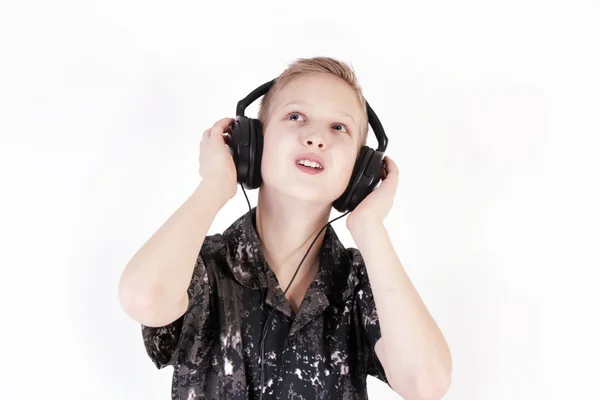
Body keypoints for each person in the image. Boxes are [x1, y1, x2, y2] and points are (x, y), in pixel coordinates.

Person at [118, 57, 452, 400]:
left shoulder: (361, 285)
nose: (316, 137)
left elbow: (426, 384)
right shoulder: (199, 265)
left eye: (339, 127)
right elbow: (145, 299)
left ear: (359, 171)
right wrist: (215, 185)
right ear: (253, 143)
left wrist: (369, 228)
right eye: (296, 116)